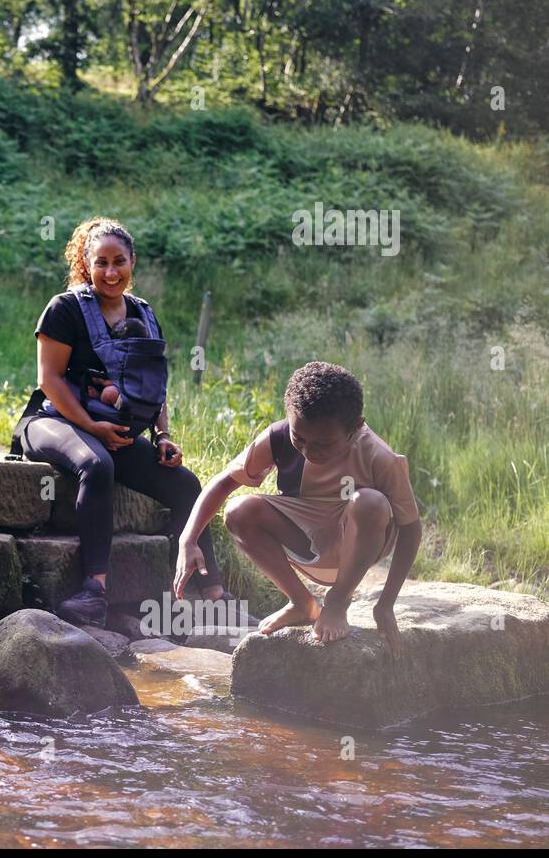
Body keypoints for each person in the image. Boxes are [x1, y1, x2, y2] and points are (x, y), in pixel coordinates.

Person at [22, 216, 229, 628]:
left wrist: (163, 435)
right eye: (101, 263)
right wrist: (91, 426)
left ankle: (215, 596)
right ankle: (93, 592)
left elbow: (153, 387)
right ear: (86, 264)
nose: (111, 272)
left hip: (112, 431)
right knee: (97, 465)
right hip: (52, 421)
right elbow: (50, 380)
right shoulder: (64, 309)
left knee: (185, 483)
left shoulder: (144, 314)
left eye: (119, 261)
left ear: (133, 261)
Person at [174, 361, 421, 656]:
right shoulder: (277, 438)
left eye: (323, 444)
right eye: (300, 438)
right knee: (239, 511)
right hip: (306, 544)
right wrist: (187, 540)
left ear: (355, 428)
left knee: (369, 502)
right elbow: (223, 482)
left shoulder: (380, 457)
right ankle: (302, 603)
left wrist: (386, 604)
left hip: (356, 546)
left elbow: (410, 528)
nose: (308, 451)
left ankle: (338, 600)